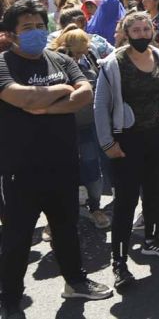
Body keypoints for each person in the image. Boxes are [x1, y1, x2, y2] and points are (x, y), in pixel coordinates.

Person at [0, 0, 113, 316]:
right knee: (17, 238)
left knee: (66, 228)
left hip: (63, 165)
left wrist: (45, 105)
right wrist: (62, 90)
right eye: (27, 28)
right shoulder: (2, 63)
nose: (36, 32)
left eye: (40, 26)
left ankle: (75, 282)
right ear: (10, 34)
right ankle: (9, 298)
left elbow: (85, 94)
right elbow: (20, 96)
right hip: (20, 170)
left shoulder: (60, 59)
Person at [94, 11, 159, 289]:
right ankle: (119, 262)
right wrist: (108, 143)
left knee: (154, 194)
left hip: (156, 138)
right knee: (126, 202)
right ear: (126, 32)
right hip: (126, 140)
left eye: (146, 29)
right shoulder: (112, 63)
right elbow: (101, 107)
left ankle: (152, 240)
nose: (142, 34)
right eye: (137, 30)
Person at [49, 25, 110, 229]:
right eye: (78, 50)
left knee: (92, 169)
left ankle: (95, 207)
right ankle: (55, 220)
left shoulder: (90, 58)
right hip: (60, 126)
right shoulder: (54, 62)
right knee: (60, 172)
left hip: (87, 125)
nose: (82, 53)